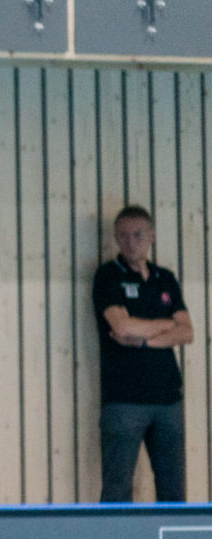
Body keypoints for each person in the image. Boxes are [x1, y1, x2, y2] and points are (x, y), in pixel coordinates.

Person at [92, 205, 194, 502]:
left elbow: (187, 332)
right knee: (117, 487)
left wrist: (146, 339)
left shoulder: (165, 278)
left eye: (138, 235)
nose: (130, 242)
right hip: (124, 401)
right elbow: (122, 328)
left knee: (173, 487)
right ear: (116, 238)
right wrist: (166, 324)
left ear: (151, 236)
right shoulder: (108, 276)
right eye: (123, 236)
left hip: (168, 400)